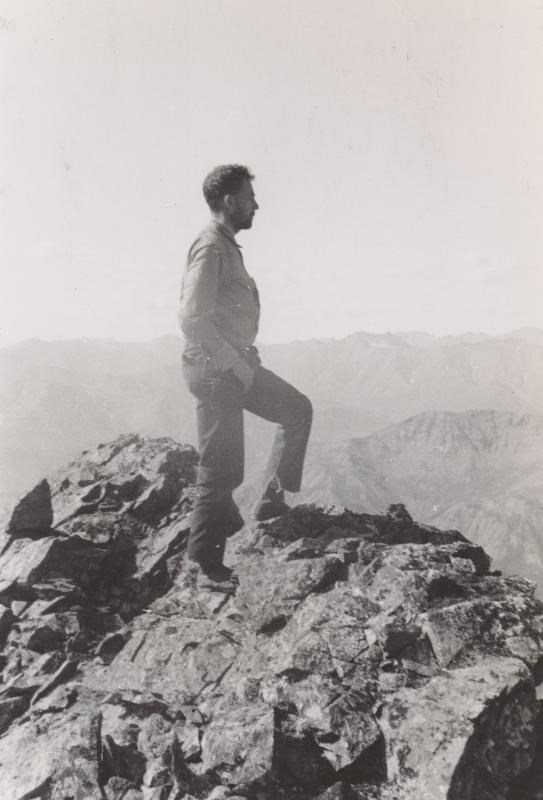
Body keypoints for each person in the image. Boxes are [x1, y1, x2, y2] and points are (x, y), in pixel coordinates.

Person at [179, 164, 313, 592]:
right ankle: (204, 568)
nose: (257, 203)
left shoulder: (227, 246)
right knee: (220, 472)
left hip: (234, 367)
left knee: (296, 410)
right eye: (250, 196)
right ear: (230, 201)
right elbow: (191, 317)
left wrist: (243, 359)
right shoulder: (211, 247)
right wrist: (233, 363)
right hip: (217, 372)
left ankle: (271, 505)